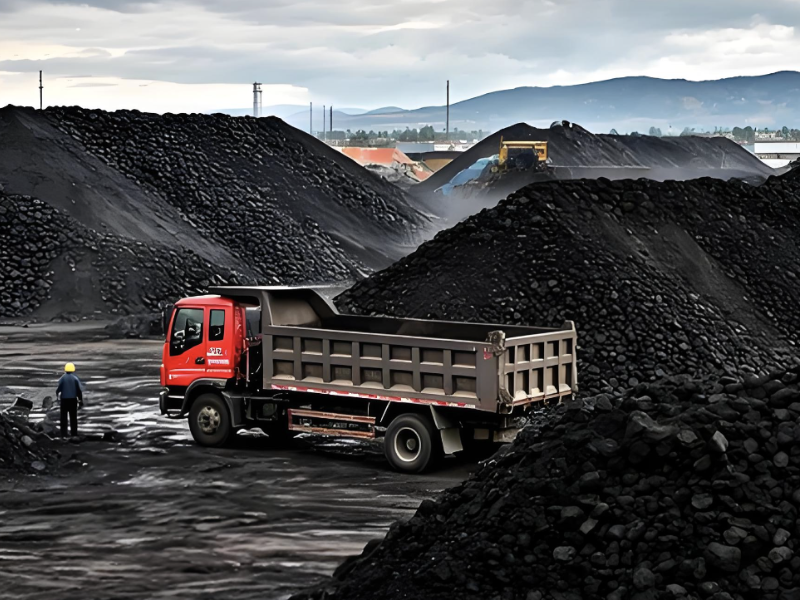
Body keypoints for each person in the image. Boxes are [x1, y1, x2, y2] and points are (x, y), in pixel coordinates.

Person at [56, 363, 84, 437]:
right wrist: (80, 401)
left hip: (64, 400)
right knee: (73, 418)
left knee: (63, 418)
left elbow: (58, 390)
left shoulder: (62, 378)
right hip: (73, 400)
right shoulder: (75, 378)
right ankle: (74, 433)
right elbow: (78, 391)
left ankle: (64, 434)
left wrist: (57, 399)